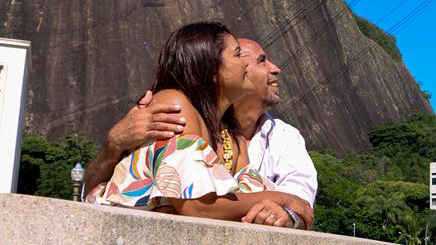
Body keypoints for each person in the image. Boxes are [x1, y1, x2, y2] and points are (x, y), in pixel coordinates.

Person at [84, 37, 316, 230]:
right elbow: (197, 207)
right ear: (212, 69)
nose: (274, 68)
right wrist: (282, 199)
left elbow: (293, 205)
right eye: (238, 55)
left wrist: (285, 209)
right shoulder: (174, 107)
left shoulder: (234, 137)